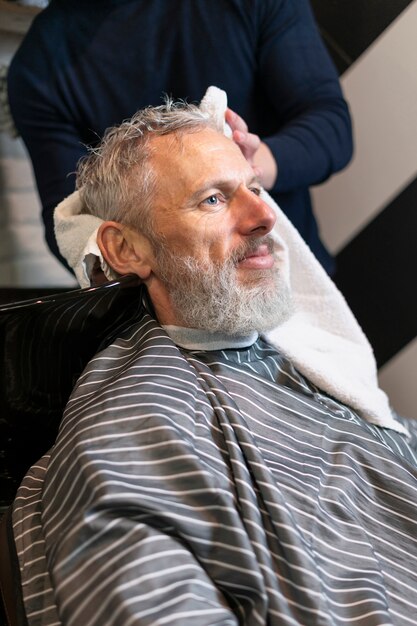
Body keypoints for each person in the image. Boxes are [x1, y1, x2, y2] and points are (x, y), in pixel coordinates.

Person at [11, 100, 417, 626]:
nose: (265, 215)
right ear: (127, 249)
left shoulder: (301, 363)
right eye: (212, 199)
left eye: (254, 188)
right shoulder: (135, 431)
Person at [7, 0, 353, 275]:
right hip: (164, 311)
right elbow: (67, 218)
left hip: (285, 277)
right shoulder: (39, 67)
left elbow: (329, 127)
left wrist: (249, 167)